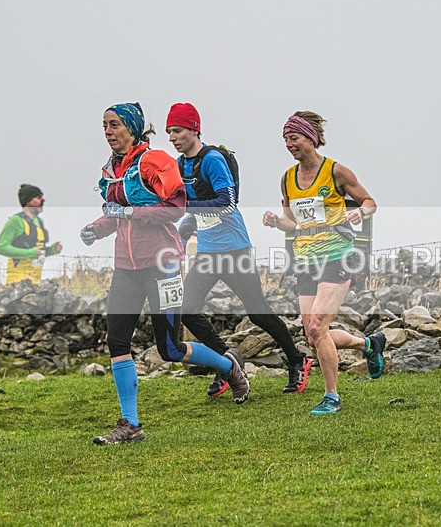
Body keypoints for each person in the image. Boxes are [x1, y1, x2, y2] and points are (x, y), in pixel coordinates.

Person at [81, 102, 250, 445]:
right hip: (126, 267)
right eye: (104, 126)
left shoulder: (155, 161)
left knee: (170, 348)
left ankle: (229, 367)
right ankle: (130, 424)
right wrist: (97, 229)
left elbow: (174, 207)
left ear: (132, 127)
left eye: (114, 125)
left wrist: (128, 214)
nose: (108, 132)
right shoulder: (112, 168)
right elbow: (117, 212)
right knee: (116, 340)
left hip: (163, 262)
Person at [166, 103, 311, 397]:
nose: (172, 137)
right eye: (169, 132)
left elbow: (227, 202)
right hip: (207, 252)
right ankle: (227, 362)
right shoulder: (181, 165)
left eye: (177, 131)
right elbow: (193, 212)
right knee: (188, 311)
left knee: (257, 312)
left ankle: (298, 360)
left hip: (235, 250)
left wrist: (184, 206)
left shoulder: (213, 160)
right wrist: (180, 238)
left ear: (195, 129)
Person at [263, 111, 385, 415]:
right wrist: (275, 221)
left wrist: (361, 213)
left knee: (318, 326)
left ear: (311, 138)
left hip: (338, 255)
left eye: (294, 138)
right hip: (306, 259)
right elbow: (291, 223)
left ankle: (332, 396)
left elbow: (370, 201)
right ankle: (367, 345)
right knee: (313, 333)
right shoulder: (288, 179)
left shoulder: (336, 171)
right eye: (285, 139)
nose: (289, 144)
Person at [0, 184, 62, 285]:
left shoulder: (39, 222)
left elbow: (37, 252)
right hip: (16, 283)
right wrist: (30, 253)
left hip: (36, 282)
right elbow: (1, 247)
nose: (43, 200)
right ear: (27, 201)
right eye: (38, 197)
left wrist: (52, 250)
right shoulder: (15, 221)